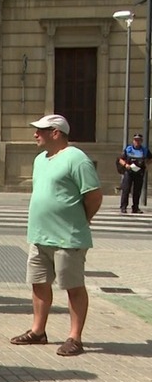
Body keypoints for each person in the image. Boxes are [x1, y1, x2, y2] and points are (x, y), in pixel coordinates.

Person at [10, 114, 101, 357]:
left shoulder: (76, 158)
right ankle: (38, 331)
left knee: (73, 286)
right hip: (40, 236)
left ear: (56, 133)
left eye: (41, 130)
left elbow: (93, 195)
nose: (35, 134)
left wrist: (81, 220)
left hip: (67, 237)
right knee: (38, 283)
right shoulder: (40, 159)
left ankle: (75, 337)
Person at [118, 133, 150, 214]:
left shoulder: (145, 150)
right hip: (129, 172)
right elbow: (121, 160)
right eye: (135, 140)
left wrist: (146, 164)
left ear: (141, 141)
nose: (137, 142)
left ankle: (135, 207)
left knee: (137, 190)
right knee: (126, 189)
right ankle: (123, 207)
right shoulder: (128, 149)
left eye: (139, 140)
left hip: (139, 173)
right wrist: (126, 165)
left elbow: (150, 159)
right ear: (133, 141)